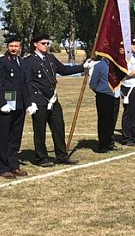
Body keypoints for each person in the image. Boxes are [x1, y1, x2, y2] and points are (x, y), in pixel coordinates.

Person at [21, 33, 89, 166]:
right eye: (43, 43)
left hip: (52, 100)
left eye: (47, 43)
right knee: (40, 130)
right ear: (35, 44)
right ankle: (41, 158)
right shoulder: (28, 61)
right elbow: (26, 82)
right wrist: (29, 102)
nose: (46, 46)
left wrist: (82, 67)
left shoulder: (50, 58)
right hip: (39, 100)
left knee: (59, 127)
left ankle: (62, 156)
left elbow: (63, 70)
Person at [0, 34, 28, 178]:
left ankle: (13, 165)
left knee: (15, 136)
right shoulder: (1, 62)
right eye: (11, 46)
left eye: (16, 46)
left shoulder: (21, 62)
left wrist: (27, 104)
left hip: (19, 104)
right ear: (7, 47)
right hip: (7, 103)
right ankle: (2, 167)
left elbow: (24, 85)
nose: (13, 48)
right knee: (4, 136)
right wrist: (1, 103)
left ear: (20, 47)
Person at [89, 58, 120, 153]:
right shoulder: (99, 66)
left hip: (115, 95)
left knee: (112, 120)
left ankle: (110, 142)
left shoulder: (117, 65)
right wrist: (101, 91)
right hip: (104, 96)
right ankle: (103, 145)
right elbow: (93, 84)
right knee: (104, 121)